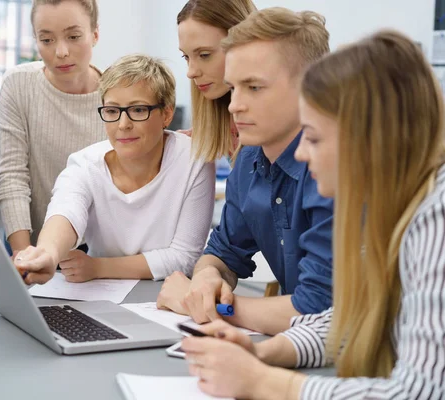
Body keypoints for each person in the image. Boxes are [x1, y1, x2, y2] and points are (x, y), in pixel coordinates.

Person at [181, 29, 445, 400]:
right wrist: (261, 353)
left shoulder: (437, 215)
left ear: (371, 141)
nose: (302, 153)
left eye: (315, 137)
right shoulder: (396, 207)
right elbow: (350, 318)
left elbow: (420, 392)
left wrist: (264, 382)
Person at [157, 8, 334, 336]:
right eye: (234, 88)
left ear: (311, 87)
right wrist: (208, 279)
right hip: (294, 345)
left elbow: (320, 308)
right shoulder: (249, 159)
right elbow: (222, 253)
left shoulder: (333, 168)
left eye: (253, 88)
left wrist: (210, 307)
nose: (235, 105)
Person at [13, 54, 215, 284]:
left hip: (167, 295)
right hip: (101, 296)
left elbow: (185, 257)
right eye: (111, 111)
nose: (123, 124)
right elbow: (66, 212)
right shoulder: (85, 164)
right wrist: (47, 254)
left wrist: (99, 267)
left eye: (138, 110)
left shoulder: (194, 159)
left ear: (167, 114)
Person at [0, 0, 107, 256]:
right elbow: (12, 175)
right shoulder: (19, 84)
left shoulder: (117, 95)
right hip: (28, 239)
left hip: (98, 252)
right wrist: (24, 256)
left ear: (95, 35)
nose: (61, 52)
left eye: (74, 36)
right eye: (46, 40)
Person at [177, 0, 256, 161]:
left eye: (204, 55)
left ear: (243, 44)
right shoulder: (220, 126)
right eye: (186, 57)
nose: (191, 72)